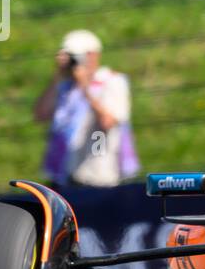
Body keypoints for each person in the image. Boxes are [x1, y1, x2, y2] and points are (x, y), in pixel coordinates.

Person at [34, 30, 137, 189]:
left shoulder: (111, 81)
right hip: (63, 176)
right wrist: (57, 76)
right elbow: (40, 115)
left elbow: (107, 122)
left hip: (98, 177)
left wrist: (85, 88)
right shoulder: (66, 86)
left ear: (93, 55)